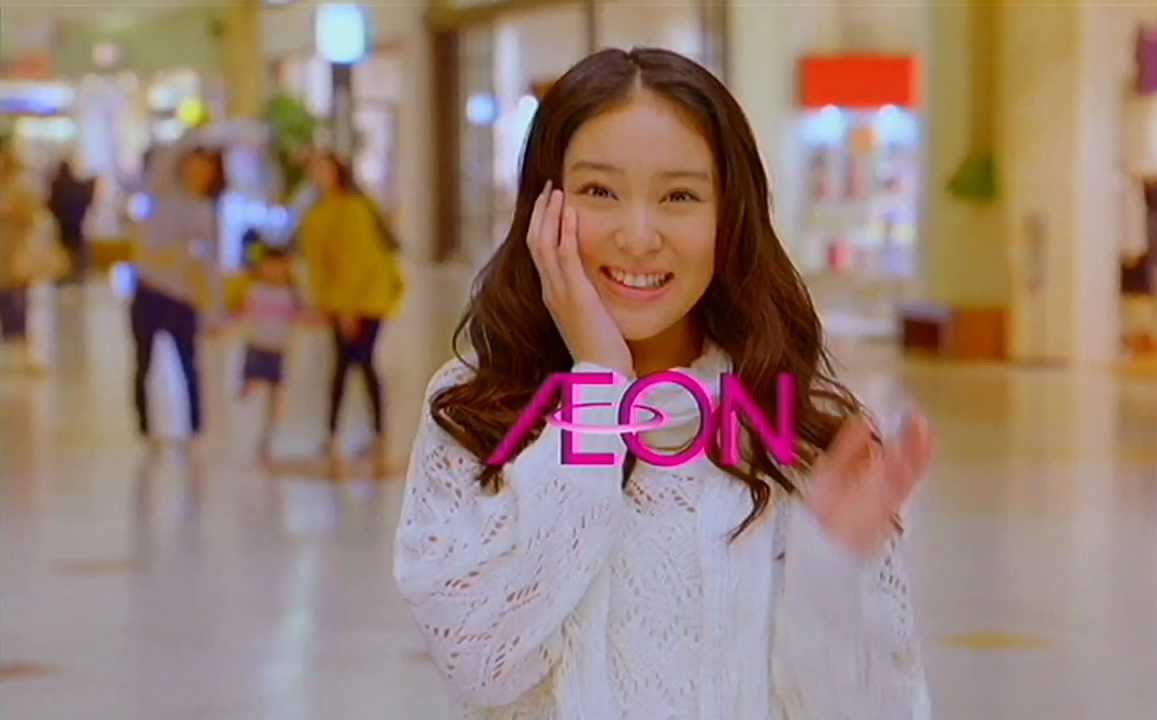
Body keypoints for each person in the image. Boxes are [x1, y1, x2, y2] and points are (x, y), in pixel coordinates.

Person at [393, 48, 931, 718]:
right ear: (544, 208)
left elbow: (882, 706)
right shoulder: (480, 411)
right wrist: (598, 389)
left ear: (728, 217)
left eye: (679, 196)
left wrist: (833, 572)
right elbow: (482, 665)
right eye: (600, 192)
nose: (639, 236)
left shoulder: (795, 425)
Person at [130, 121, 261, 449]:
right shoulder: (163, 191)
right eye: (194, 163)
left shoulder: (206, 210)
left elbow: (210, 267)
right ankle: (145, 428)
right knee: (143, 363)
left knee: (189, 365)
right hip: (149, 290)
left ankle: (195, 430)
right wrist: (198, 133)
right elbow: (165, 160)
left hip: (182, 298)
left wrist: (215, 311)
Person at [297, 151, 402, 471]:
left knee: (358, 363)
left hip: (364, 303)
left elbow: (357, 262)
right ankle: (343, 433)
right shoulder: (320, 212)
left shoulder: (353, 209)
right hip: (343, 303)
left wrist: (348, 309)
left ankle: (370, 432)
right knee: (348, 365)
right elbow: (320, 264)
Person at [235, 245, 306, 461]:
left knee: (275, 398)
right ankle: (245, 433)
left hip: (278, 351)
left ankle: (268, 440)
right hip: (257, 347)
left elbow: (302, 318)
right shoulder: (255, 290)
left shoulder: (292, 294)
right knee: (250, 392)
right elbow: (241, 314)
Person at [0, 150, 41, 372]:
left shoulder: (20, 189)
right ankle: (11, 350)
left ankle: (20, 352)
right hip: (5, 258)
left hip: (15, 256)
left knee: (18, 303)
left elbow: (32, 216)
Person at [46, 159, 96, 284]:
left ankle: (71, 276)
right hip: (71, 227)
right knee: (73, 253)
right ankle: (73, 276)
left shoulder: (57, 185)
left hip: (66, 227)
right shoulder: (70, 186)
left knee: (71, 253)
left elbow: (51, 205)